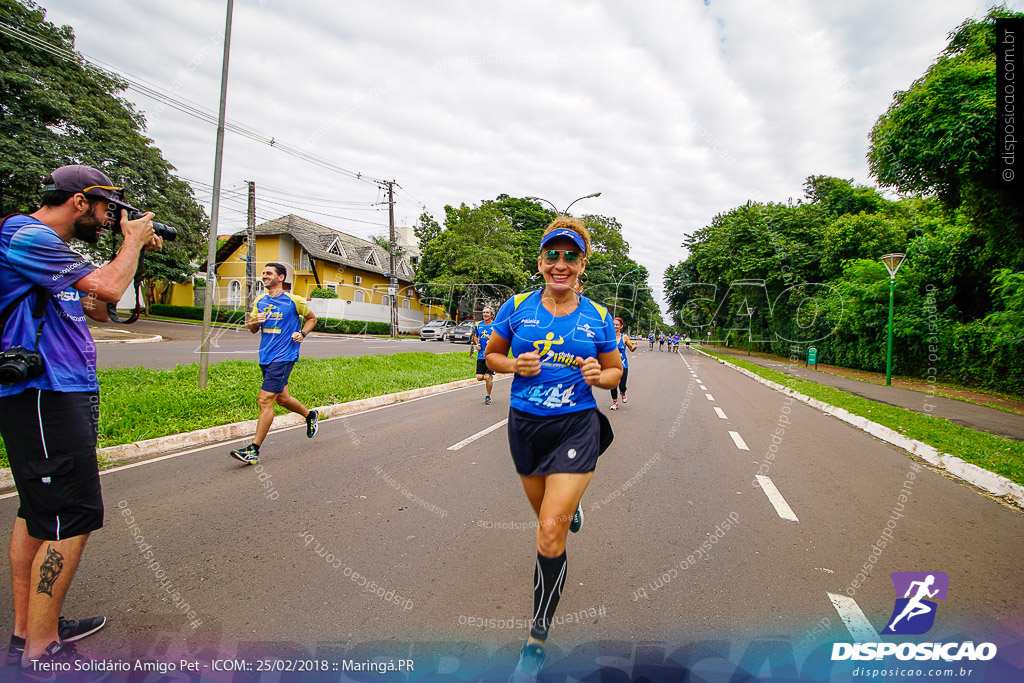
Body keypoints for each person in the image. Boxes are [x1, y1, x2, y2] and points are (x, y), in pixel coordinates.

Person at [0, 165, 163, 674]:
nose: (111, 219)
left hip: (61, 391)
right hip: (44, 393)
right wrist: (130, 244)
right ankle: (41, 651)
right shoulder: (26, 235)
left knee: (38, 511)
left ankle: (29, 631)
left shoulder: (53, 253)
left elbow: (95, 306)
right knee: (71, 516)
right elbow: (109, 289)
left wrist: (132, 255)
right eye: (106, 209)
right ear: (78, 202)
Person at [485, 217, 621, 680]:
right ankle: (571, 505)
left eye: (570, 256)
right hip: (525, 426)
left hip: (575, 428)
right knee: (543, 511)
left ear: (582, 263)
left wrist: (598, 378)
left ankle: (537, 636)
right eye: (552, 255)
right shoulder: (518, 306)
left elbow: (615, 371)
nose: (560, 264)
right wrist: (511, 366)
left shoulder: (598, 316)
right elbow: (492, 355)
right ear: (541, 261)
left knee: (549, 533)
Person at [229, 264, 319, 464]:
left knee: (265, 400)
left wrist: (302, 334)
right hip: (266, 356)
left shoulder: (294, 300)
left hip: (285, 356)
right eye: (263, 273)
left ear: (281, 277)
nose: (264, 276)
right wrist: (256, 321)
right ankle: (310, 415)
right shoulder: (260, 301)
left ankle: (253, 450)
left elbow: (312, 319)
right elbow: (252, 329)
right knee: (282, 399)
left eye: (268, 273)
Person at [609, 317, 636, 410]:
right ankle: (615, 402)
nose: (615, 326)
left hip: (623, 365)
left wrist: (635, 347)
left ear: (621, 326)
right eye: (613, 324)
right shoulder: (608, 336)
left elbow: (631, 349)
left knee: (622, 385)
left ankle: (623, 392)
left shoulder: (624, 337)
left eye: (617, 324)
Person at [471, 306, 496, 405]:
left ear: (491, 315)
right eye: (484, 312)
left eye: (487, 313)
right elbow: (476, 336)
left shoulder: (495, 325)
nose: (485, 314)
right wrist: (477, 344)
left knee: (488, 376)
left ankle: (488, 396)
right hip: (481, 355)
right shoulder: (478, 325)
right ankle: (489, 378)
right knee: (479, 377)